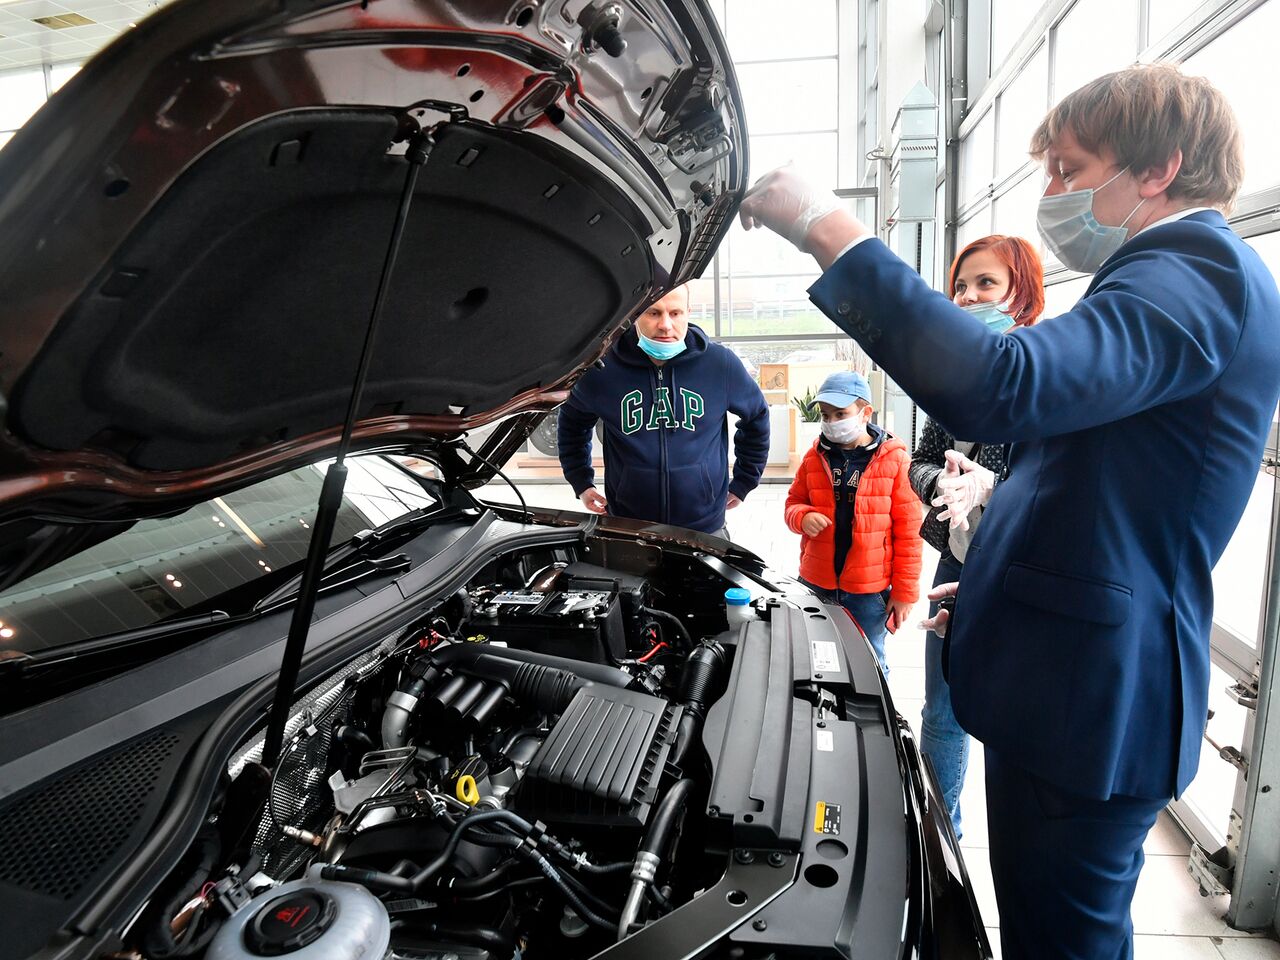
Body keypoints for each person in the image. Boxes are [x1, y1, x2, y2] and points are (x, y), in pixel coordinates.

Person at [738, 64, 1280, 959]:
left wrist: (827, 229)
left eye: (1070, 169)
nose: (1051, 194)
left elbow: (1002, 388)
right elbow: (1106, 486)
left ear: (1159, 169)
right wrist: (992, 582)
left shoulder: (1200, 269)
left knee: (1060, 941)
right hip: (1066, 674)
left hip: (1094, 702)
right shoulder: (1165, 277)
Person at [908, 234, 1045, 838]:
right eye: (960, 287)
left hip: (1015, 574)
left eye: (985, 284)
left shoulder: (1043, 374)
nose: (966, 298)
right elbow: (918, 460)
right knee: (942, 713)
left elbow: (1056, 486)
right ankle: (944, 838)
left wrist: (993, 486)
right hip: (955, 564)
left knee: (1011, 718)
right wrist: (942, 477)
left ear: (1022, 294)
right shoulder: (955, 382)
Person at [557, 284, 770, 536]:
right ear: (635, 314)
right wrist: (581, 481)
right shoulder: (603, 370)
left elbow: (756, 416)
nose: (666, 325)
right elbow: (572, 424)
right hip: (628, 525)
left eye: (676, 313)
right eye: (654, 313)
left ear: (688, 313)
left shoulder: (720, 364)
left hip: (705, 526)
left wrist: (745, 481)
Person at [785, 371, 921, 672]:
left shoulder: (895, 461)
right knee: (816, 658)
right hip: (816, 582)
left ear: (865, 412)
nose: (832, 422)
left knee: (869, 662)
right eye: (825, 415)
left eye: (841, 414)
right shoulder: (813, 457)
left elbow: (910, 533)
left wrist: (904, 592)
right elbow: (792, 504)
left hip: (869, 591)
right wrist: (802, 517)